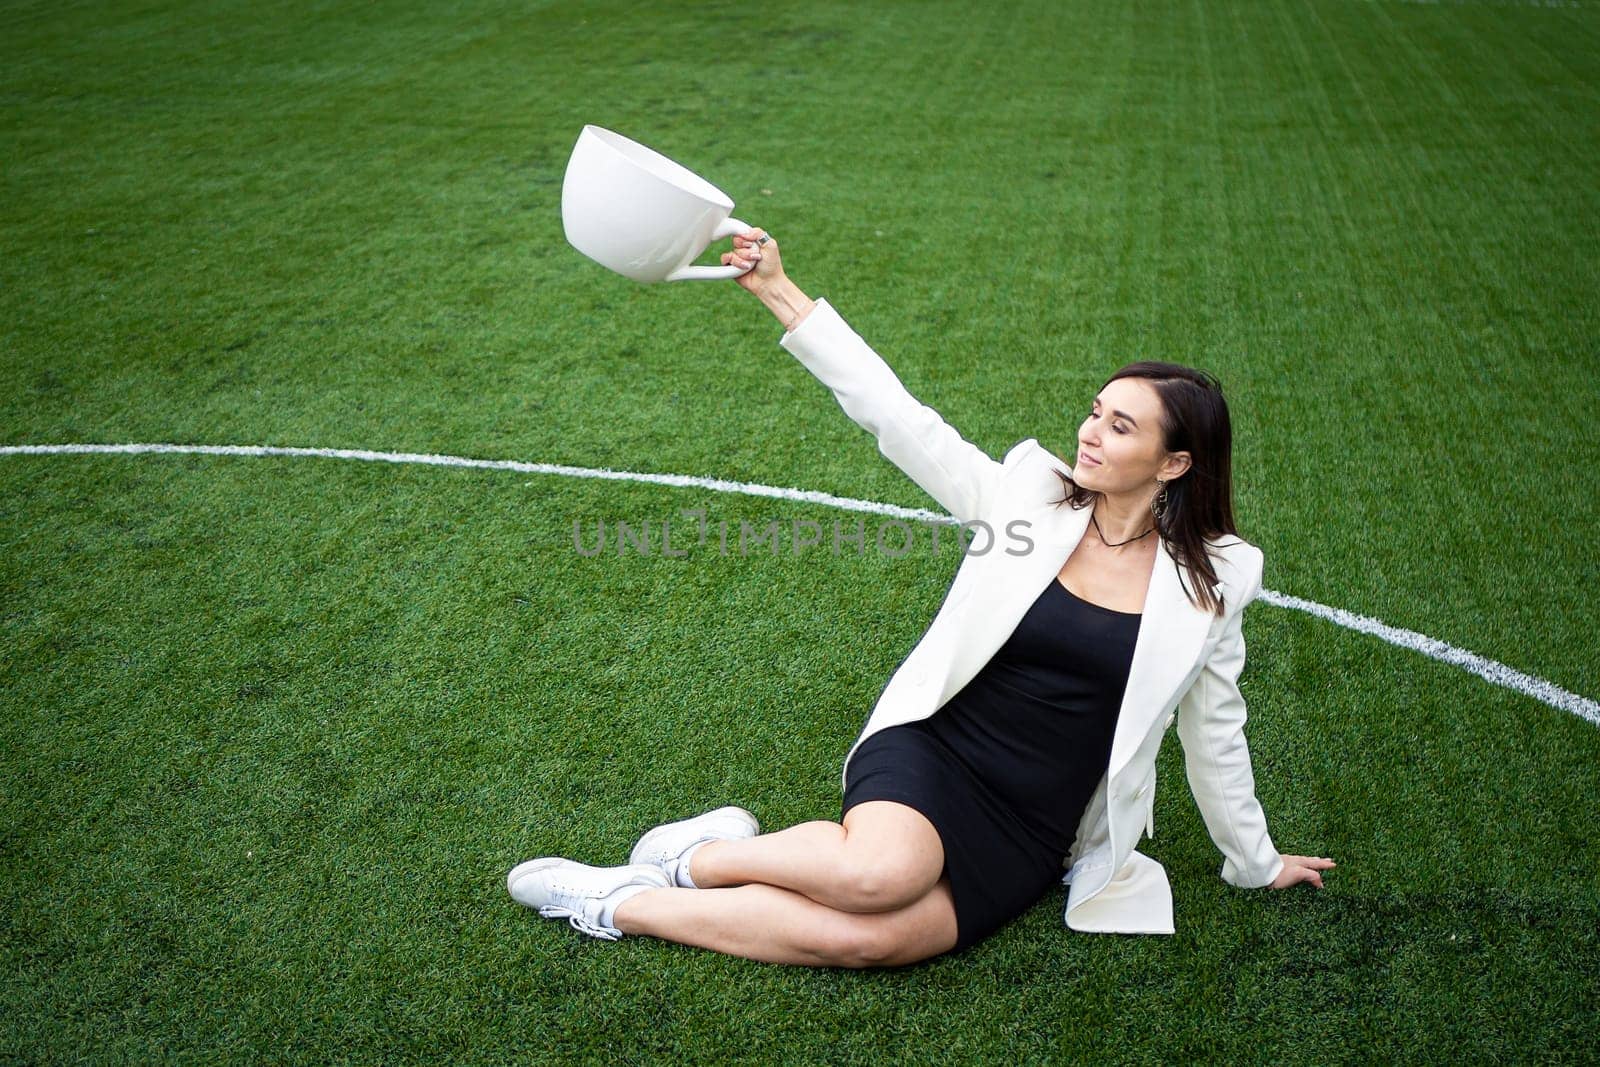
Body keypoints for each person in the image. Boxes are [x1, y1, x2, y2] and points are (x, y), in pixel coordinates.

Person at [506, 227, 1336, 966]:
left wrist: (1256, 859)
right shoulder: (1028, 497)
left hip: (1035, 813)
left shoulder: (1216, 578)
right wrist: (777, 291)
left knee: (874, 938)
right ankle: (694, 860)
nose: (1089, 431)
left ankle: (631, 897)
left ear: (1176, 463)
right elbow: (901, 420)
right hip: (940, 742)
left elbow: (1216, 728)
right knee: (878, 874)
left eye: (1122, 426)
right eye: (1095, 411)